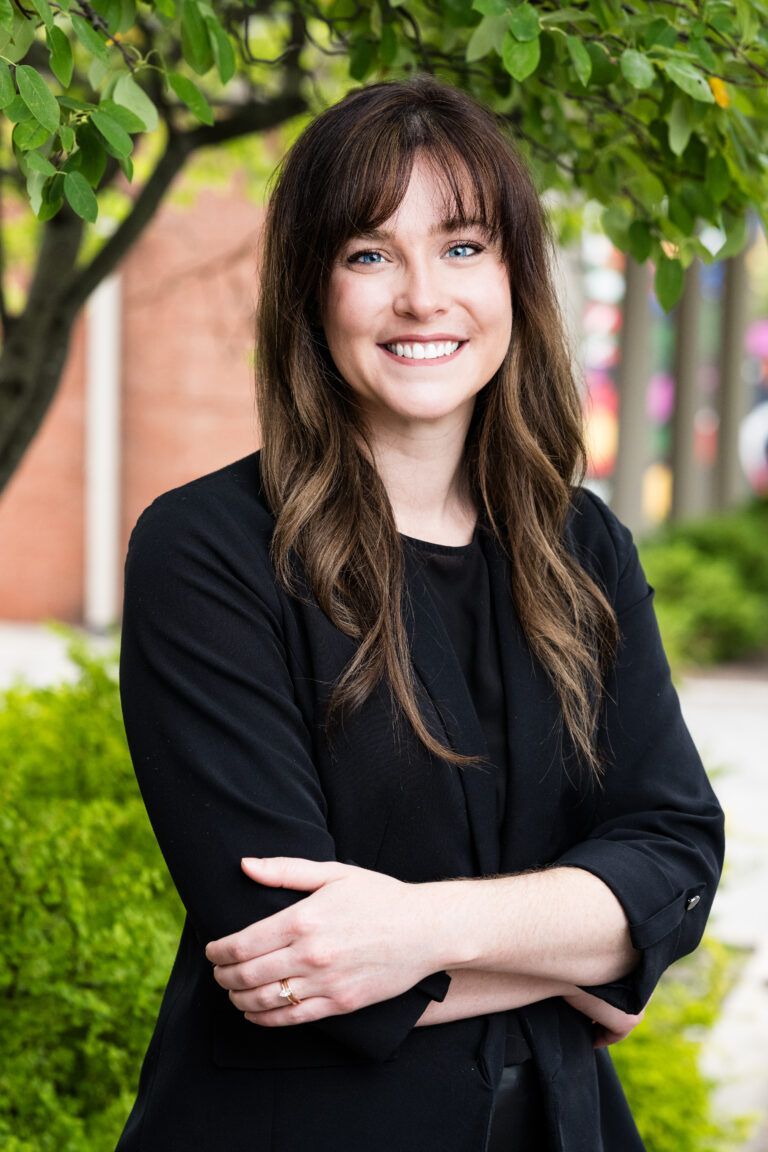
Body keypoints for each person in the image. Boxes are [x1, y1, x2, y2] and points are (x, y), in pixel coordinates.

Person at [116, 75, 725, 1152]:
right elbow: (294, 959)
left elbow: (676, 862)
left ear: (514, 276)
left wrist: (414, 931)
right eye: (369, 255)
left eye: (462, 247)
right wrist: (585, 946)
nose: (422, 298)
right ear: (311, 290)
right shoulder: (207, 552)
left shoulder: (582, 547)